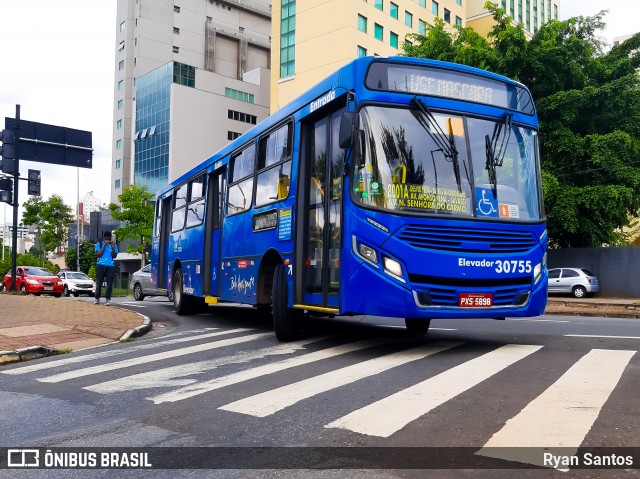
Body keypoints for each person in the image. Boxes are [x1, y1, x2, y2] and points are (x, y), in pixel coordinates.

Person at [94, 231, 118, 305]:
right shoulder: (99, 244)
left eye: (108, 238)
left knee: (109, 283)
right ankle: (97, 298)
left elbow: (114, 256)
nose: (107, 239)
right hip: (100, 265)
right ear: (104, 238)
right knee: (99, 282)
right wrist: (104, 245)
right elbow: (98, 254)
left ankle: (108, 299)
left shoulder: (114, 245)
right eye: (106, 238)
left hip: (110, 266)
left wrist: (112, 247)